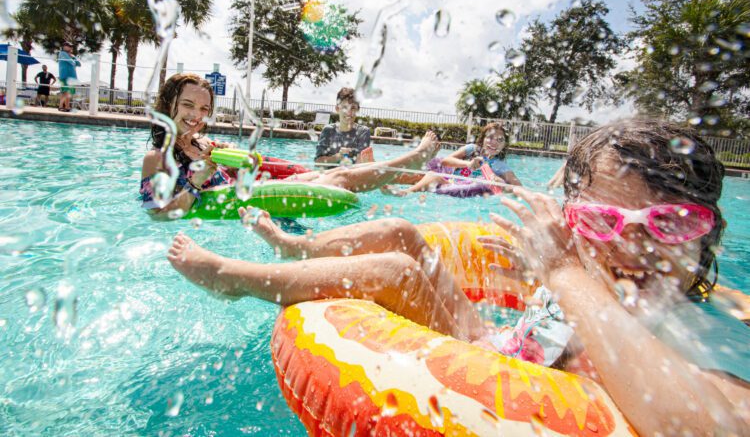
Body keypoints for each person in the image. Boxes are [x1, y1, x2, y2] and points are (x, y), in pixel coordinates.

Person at [167, 118, 748, 434]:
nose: (632, 247)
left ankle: (232, 275)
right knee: (399, 231)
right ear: (573, 221)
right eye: (601, 220)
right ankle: (293, 244)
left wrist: (566, 270)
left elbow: (710, 424)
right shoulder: (599, 272)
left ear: (711, 228)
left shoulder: (710, 324)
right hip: (494, 347)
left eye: (669, 223)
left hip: (502, 373)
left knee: (394, 272)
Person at [142, 74, 440, 218]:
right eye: (188, 105)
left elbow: (247, 169)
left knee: (314, 177)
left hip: (237, 195)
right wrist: (195, 180)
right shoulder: (156, 157)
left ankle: (408, 170)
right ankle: (413, 158)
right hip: (217, 206)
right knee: (340, 178)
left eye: (204, 110)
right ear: (170, 104)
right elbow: (157, 215)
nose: (197, 116)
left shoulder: (202, 142)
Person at [383, 122, 522, 195]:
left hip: (459, 188)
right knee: (417, 174)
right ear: (483, 139)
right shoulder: (472, 149)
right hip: (450, 180)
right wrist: (468, 164)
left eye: (499, 140)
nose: (494, 143)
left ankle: (404, 193)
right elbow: (446, 161)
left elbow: (518, 187)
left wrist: (501, 182)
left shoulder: (500, 165)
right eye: (490, 138)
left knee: (432, 176)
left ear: (504, 145)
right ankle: (382, 179)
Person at [314, 87, 371, 166]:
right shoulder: (328, 130)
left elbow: (360, 164)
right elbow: (317, 162)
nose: (349, 112)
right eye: (344, 107)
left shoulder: (363, 132)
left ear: (358, 109)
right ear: (337, 108)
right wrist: (337, 157)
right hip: (330, 175)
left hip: (352, 175)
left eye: (353, 108)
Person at [57, 42, 81, 112]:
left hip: (72, 77)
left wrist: (74, 57)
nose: (70, 47)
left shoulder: (71, 55)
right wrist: (72, 57)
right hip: (65, 75)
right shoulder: (62, 53)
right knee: (65, 91)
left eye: (71, 46)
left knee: (69, 92)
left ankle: (67, 107)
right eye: (68, 46)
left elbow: (79, 64)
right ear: (63, 46)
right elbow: (72, 63)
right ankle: (61, 106)